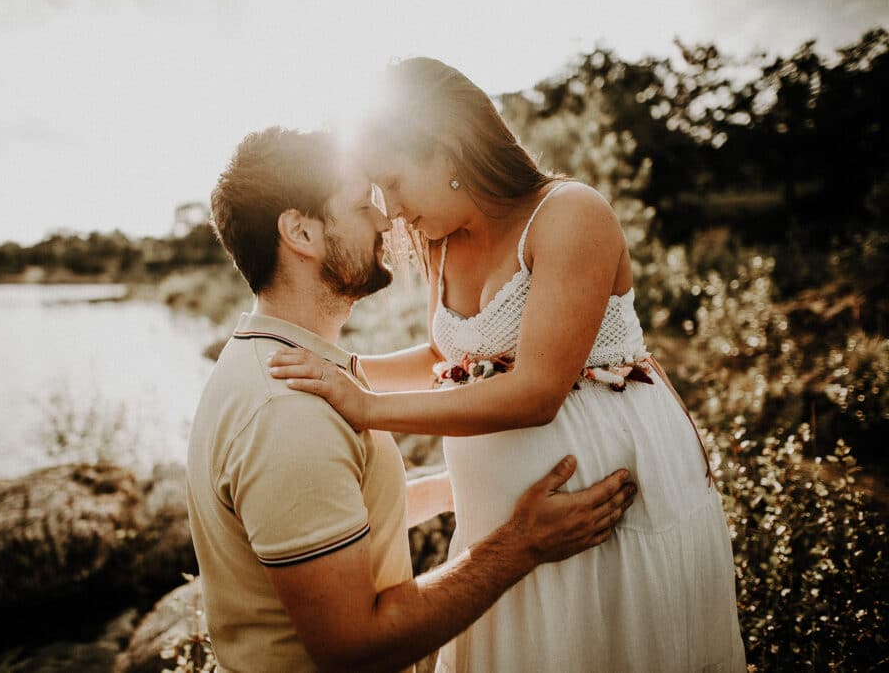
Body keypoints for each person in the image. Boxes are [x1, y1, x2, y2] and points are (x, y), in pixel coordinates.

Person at [268, 58, 747, 671]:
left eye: (392, 180)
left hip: (614, 520)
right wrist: (343, 368)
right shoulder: (444, 242)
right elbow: (450, 355)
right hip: (505, 523)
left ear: (447, 152)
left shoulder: (571, 213)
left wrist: (366, 408)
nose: (389, 210)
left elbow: (537, 392)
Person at [186, 126, 638, 673]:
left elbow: (355, 518)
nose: (384, 219)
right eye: (360, 203)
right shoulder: (288, 412)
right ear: (300, 232)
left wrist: (464, 489)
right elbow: (358, 647)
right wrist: (522, 544)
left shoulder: (271, 365)